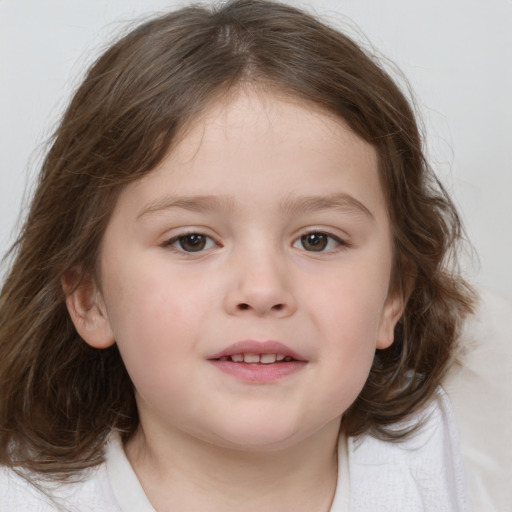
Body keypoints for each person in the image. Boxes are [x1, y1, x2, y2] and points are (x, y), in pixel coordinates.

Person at [0, 0, 476, 510]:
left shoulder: (443, 449)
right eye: (191, 241)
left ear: (392, 297)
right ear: (91, 299)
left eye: (317, 240)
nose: (263, 290)